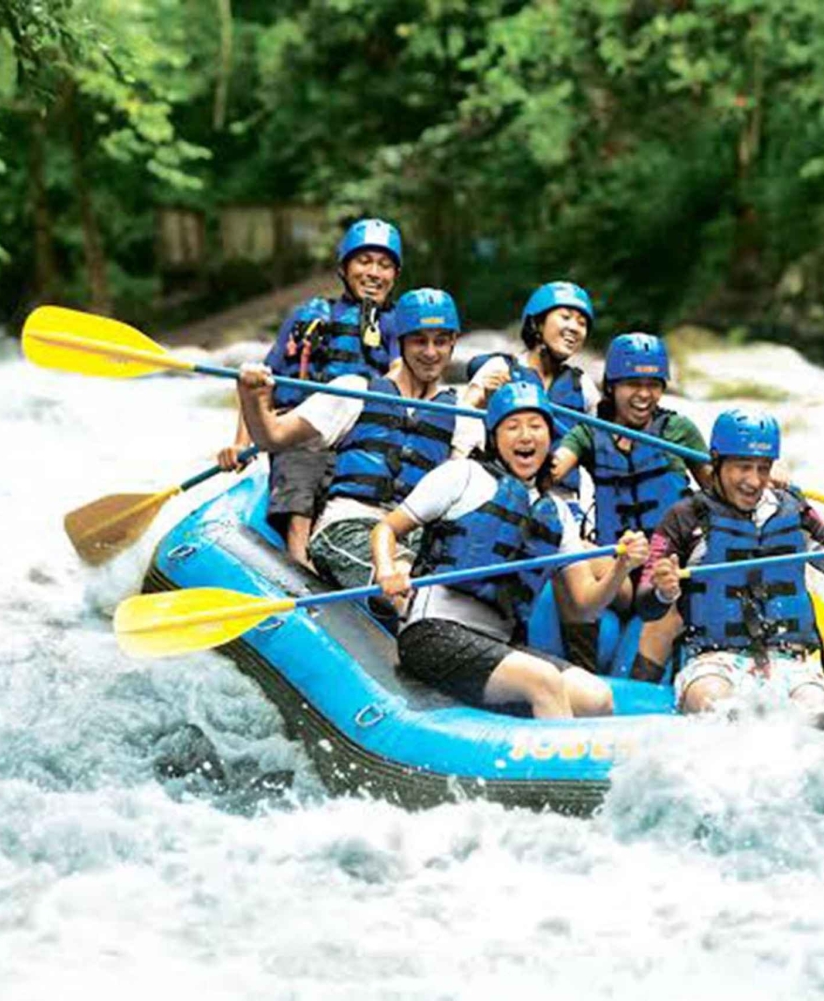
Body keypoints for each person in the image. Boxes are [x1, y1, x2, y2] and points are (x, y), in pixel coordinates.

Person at [371, 382, 650, 719]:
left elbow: (584, 606)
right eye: (513, 426)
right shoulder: (463, 475)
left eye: (536, 426)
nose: (526, 436)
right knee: (543, 680)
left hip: (499, 644)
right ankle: (559, 753)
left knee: (596, 697)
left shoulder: (557, 513)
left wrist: (621, 567)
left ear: (550, 437)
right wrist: (387, 570)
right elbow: (386, 529)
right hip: (432, 633)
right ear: (494, 437)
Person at [635, 408, 824, 726]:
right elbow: (646, 605)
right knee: (715, 704)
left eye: (763, 468)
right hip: (713, 661)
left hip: (788, 661)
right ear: (716, 461)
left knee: (817, 714)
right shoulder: (684, 517)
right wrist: (664, 591)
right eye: (743, 467)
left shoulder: (794, 512)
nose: (754, 481)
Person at [235, 288, 463, 595]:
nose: (431, 352)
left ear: (454, 342)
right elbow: (272, 436)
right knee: (412, 588)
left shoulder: (463, 416)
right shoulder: (354, 391)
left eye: (441, 341)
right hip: (349, 525)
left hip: (414, 536)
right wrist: (252, 397)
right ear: (401, 342)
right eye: (420, 341)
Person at [219, 217, 403, 566]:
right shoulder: (308, 316)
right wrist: (241, 444)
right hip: (302, 430)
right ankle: (299, 561)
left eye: (384, 265)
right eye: (364, 261)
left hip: (360, 435)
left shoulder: (397, 323)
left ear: (395, 275)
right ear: (344, 268)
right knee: (304, 455)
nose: (374, 273)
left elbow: (401, 373)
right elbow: (260, 384)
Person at [550, 332, 713, 673]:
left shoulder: (679, 430)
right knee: (569, 552)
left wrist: (755, 472)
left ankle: (640, 682)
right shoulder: (589, 432)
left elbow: (720, 487)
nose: (644, 395)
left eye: (653, 385)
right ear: (612, 386)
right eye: (632, 384)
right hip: (620, 568)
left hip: (670, 568)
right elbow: (554, 468)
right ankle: (581, 672)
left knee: (672, 598)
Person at [455, 281, 601, 488]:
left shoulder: (583, 386)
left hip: (561, 495)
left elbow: (600, 441)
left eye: (582, 323)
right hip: (499, 489)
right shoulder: (500, 368)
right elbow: (462, 419)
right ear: (538, 323)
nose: (574, 328)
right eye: (565, 317)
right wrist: (486, 401)